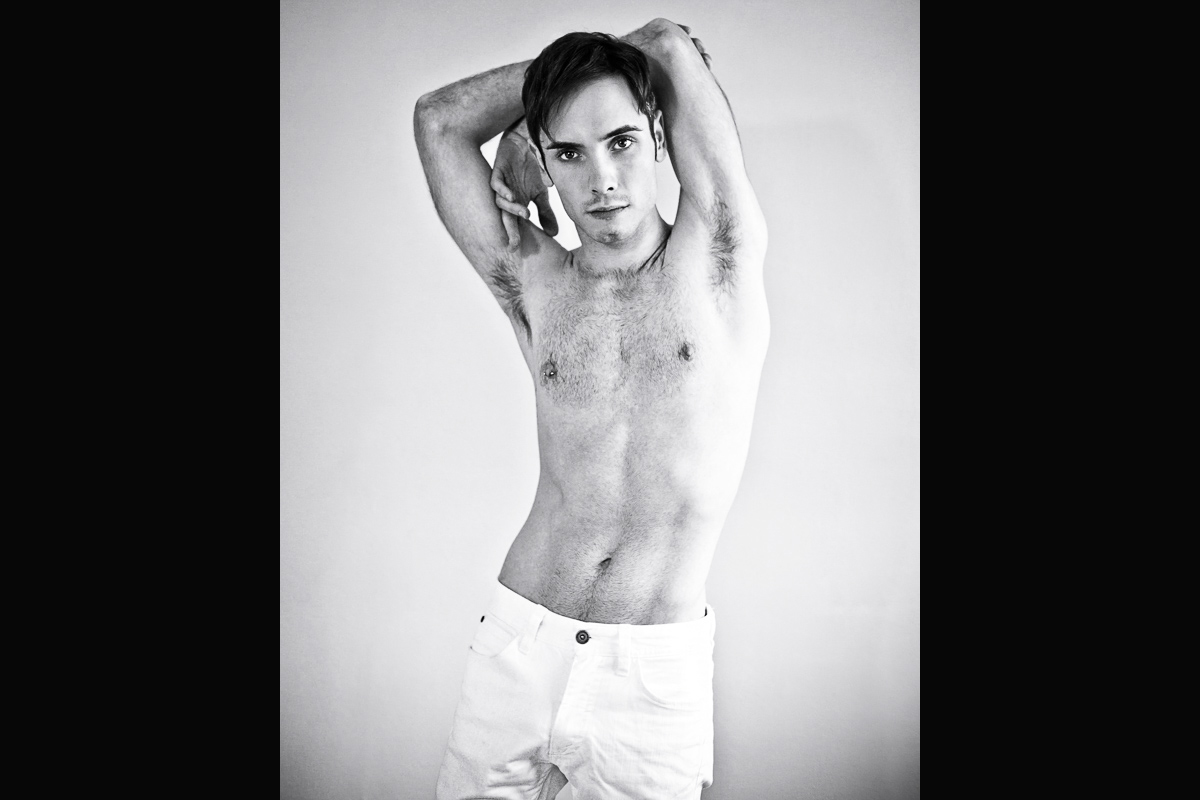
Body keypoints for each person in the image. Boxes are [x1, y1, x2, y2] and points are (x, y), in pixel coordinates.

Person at [414, 17, 768, 799]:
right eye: (569, 153)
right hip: (519, 643)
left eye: (621, 142)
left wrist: (526, 123)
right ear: (548, 165)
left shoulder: (719, 258)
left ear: (659, 137)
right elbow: (438, 121)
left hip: (650, 672)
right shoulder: (535, 279)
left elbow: (668, 43)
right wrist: (533, 117)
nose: (602, 178)